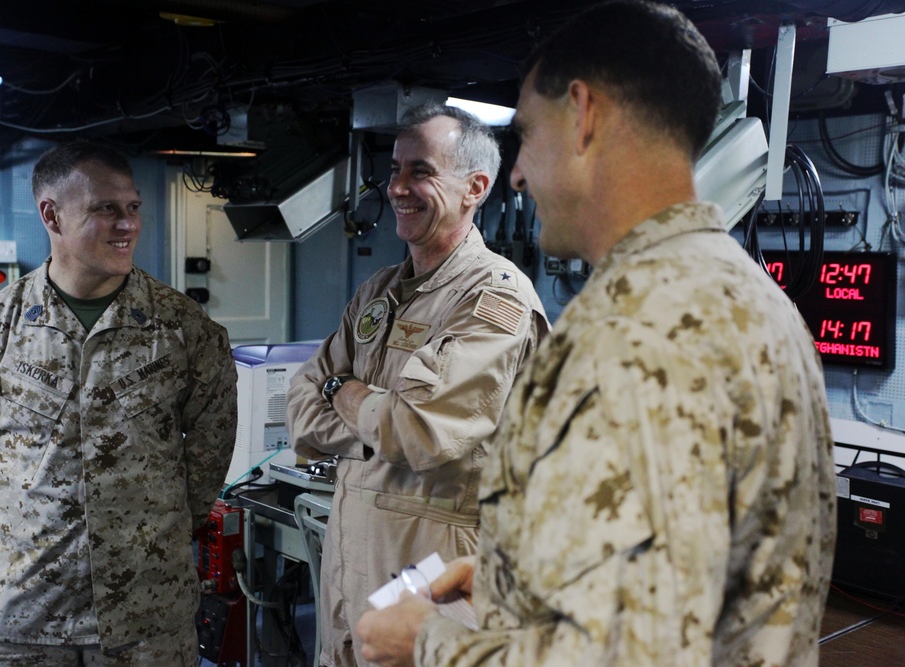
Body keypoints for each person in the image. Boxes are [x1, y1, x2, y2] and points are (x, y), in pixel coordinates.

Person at [356, 2, 837, 666]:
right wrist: (508, 585)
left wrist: (428, 642)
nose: (517, 174)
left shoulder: (632, 334)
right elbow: (687, 580)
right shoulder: (750, 297)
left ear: (582, 114)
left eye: (527, 135)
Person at [0, 141, 238, 665]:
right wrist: (25, 530)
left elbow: (209, 453)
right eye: (105, 209)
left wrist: (149, 529)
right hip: (22, 613)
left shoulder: (184, 330)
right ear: (51, 214)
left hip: (147, 614)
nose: (127, 224)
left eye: (133, 207)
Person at [286, 102, 549, 666]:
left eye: (421, 171)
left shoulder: (493, 297)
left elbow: (417, 433)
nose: (398, 187)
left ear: (474, 187)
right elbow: (301, 407)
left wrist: (343, 391)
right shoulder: (378, 290)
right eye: (396, 169)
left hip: (433, 557)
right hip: (352, 548)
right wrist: (372, 421)